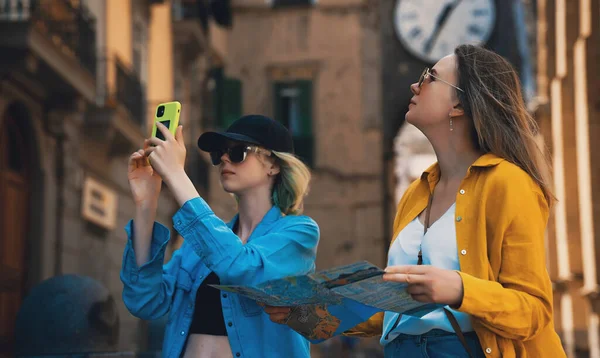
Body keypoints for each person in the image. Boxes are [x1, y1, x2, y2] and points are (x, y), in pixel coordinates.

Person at [266, 45, 566, 357]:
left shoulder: (509, 182)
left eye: (430, 78)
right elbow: (394, 311)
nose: (415, 85)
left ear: (459, 104)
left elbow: (533, 311)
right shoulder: (415, 193)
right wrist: (301, 315)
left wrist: (461, 290)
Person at [121, 114, 320, 358]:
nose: (225, 158)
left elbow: (241, 267)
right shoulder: (199, 244)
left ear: (273, 165)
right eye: (219, 153)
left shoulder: (299, 233)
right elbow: (145, 300)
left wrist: (177, 176)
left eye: (238, 152)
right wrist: (146, 203)